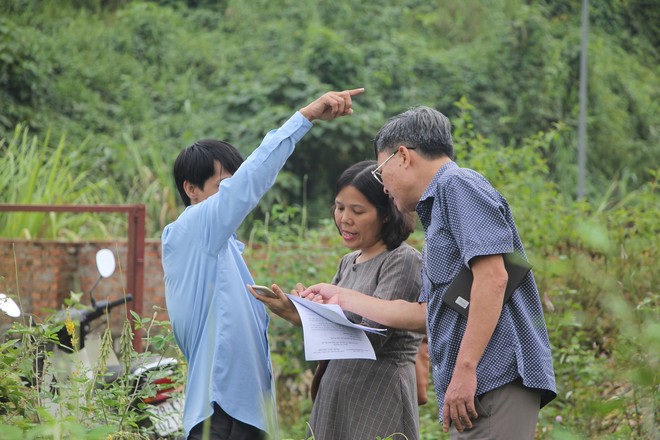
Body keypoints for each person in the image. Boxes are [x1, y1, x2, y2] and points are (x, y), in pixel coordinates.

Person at [303, 106, 556, 439]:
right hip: (478, 385)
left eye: (382, 172)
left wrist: (465, 371)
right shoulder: (439, 208)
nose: (385, 186)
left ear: (403, 156)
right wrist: (342, 296)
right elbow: (422, 314)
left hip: (493, 376)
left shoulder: (457, 185)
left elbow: (494, 278)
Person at [161, 88, 363, 440]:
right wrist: (305, 117)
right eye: (224, 185)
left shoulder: (224, 250)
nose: (234, 194)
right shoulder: (190, 230)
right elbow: (250, 182)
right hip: (219, 412)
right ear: (191, 189)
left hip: (244, 413)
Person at [249, 160, 424, 440]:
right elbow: (332, 332)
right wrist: (299, 311)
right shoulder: (348, 262)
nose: (345, 219)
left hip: (378, 394)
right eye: (340, 207)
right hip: (337, 391)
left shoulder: (402, 259)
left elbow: (373, 336)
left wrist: (319, 311)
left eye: (357, 211)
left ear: (386, 214)